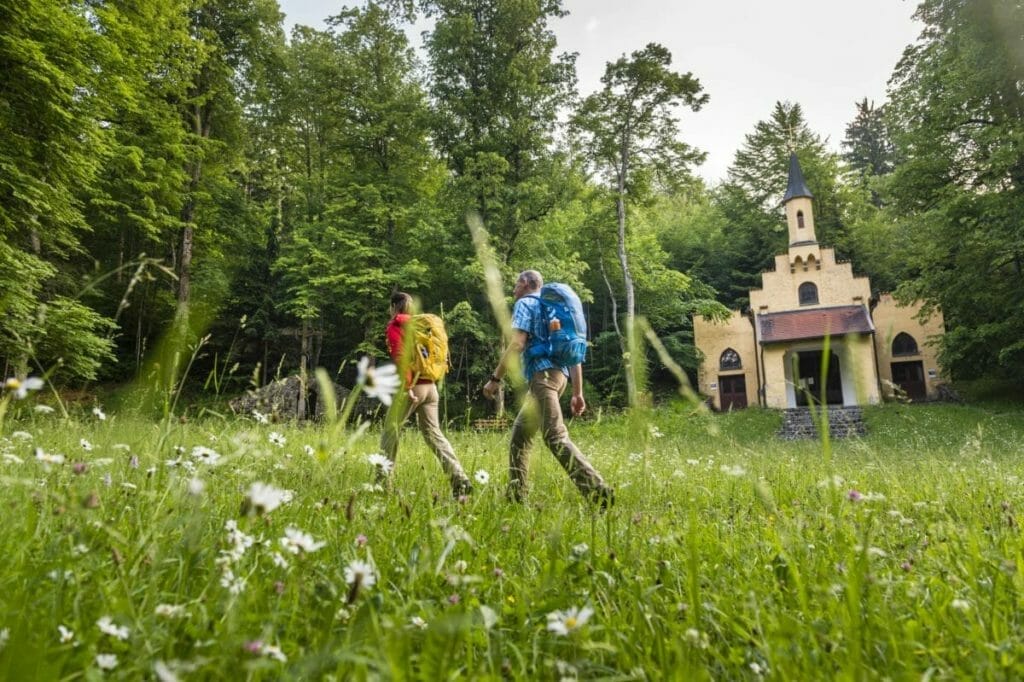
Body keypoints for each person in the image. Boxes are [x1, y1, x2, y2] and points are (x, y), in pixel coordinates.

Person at [482, 270, 613, 507]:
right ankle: (515, 497)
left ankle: (597, 490)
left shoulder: (526, 304)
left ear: (525, 283)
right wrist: (577, 392)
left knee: (555, 436)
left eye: (515, 284)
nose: (514, 290)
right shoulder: (552, 308)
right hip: (559, 377)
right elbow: (574, 352)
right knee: (519, 437)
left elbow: (517, 343)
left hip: (542, 378)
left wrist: (495, 379)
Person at [380, 292, 472, 497]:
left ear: (394, 306)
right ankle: (460, 478)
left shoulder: (396, 325)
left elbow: (400, 356)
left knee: (389, 432)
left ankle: (381, 484)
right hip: (431, 387)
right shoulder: (423, 325)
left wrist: (407, 388)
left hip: (413, 386)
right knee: (433, 433)